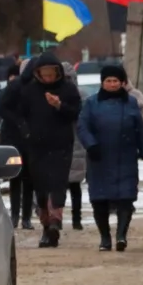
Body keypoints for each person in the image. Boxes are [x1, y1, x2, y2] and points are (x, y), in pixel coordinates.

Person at [76, 64, 143, 252]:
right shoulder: (91, 103)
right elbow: (82, 127)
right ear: (102, 83)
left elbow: (140, 130)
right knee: (99, 200)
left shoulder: (131, 103)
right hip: (99, 157)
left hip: (125, 157)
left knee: (126, 198)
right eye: (108, 81)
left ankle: (121, 236)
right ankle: (105, 238)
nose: (112, 84)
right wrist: (91, 144)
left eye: (116, 81)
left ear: (123, 83)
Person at [15, 52, 82, 247]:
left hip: (61, 145)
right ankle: (46, 225)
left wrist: (59, 105)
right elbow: (19, 115)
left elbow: (76, 112)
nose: (48, 77)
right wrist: (26, 132)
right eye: (44, 73)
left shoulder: (68, 89)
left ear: (57, 72)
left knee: (58, 185)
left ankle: (55, 221)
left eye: (51, 73)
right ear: (38, 73)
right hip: (37, 146)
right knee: (41, 187)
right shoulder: (29, 91)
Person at [0, 60, 34, 228]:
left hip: (30, 139)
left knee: (29, 179)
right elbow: (0, 109)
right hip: (13, 139)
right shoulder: (12, 88)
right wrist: (19, 123)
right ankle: (16, 215)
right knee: (15, 178)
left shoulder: (34, 88)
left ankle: (26, 217)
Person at [63, 61, 87, 230]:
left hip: (76, 143)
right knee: (59, 186)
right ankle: (57, 219)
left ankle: (76, 218)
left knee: (75, 185)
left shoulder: (82, 96)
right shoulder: (51, 95)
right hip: (60, 143)